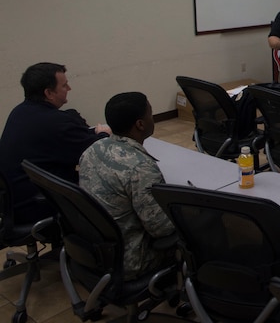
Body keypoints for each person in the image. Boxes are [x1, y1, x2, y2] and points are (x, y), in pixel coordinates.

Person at [79, 92, 176, 279]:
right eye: (150, 112)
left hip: (97, 250)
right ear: (140, 124)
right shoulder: (140, 167)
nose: (152, 117)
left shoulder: (93, 150)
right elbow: (161, 229)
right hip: (131, 260)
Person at [0, 62, 111, 224]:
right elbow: (96, 154)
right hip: (37, 205)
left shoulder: (20, 111)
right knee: (112, 187)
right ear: (49, 93)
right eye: (65, 85)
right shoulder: (56, 123)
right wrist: (103, 134)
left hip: (14, 202)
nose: (69, 88)